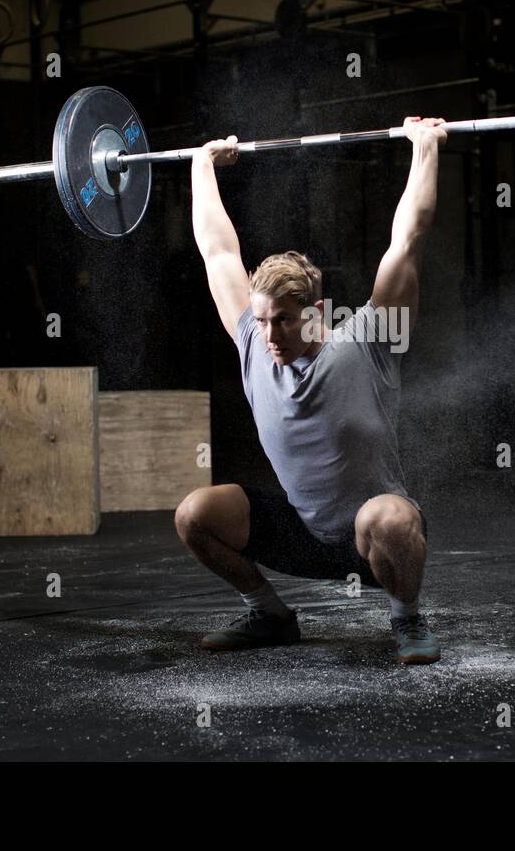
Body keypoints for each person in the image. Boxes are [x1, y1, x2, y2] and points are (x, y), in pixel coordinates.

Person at [174, 116, 446, 664]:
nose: (269, 335)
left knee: (387, 519)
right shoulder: (253, 339)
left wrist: (426, 148)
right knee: (195, 513)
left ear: (315, 313)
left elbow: (407, 241)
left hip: (372, 539)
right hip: (302, 534)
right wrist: (202, 166)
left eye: (283, 322)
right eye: (263, 320)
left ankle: (407, 620)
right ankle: (270, 615)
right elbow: (218, 253)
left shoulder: (369, 338)